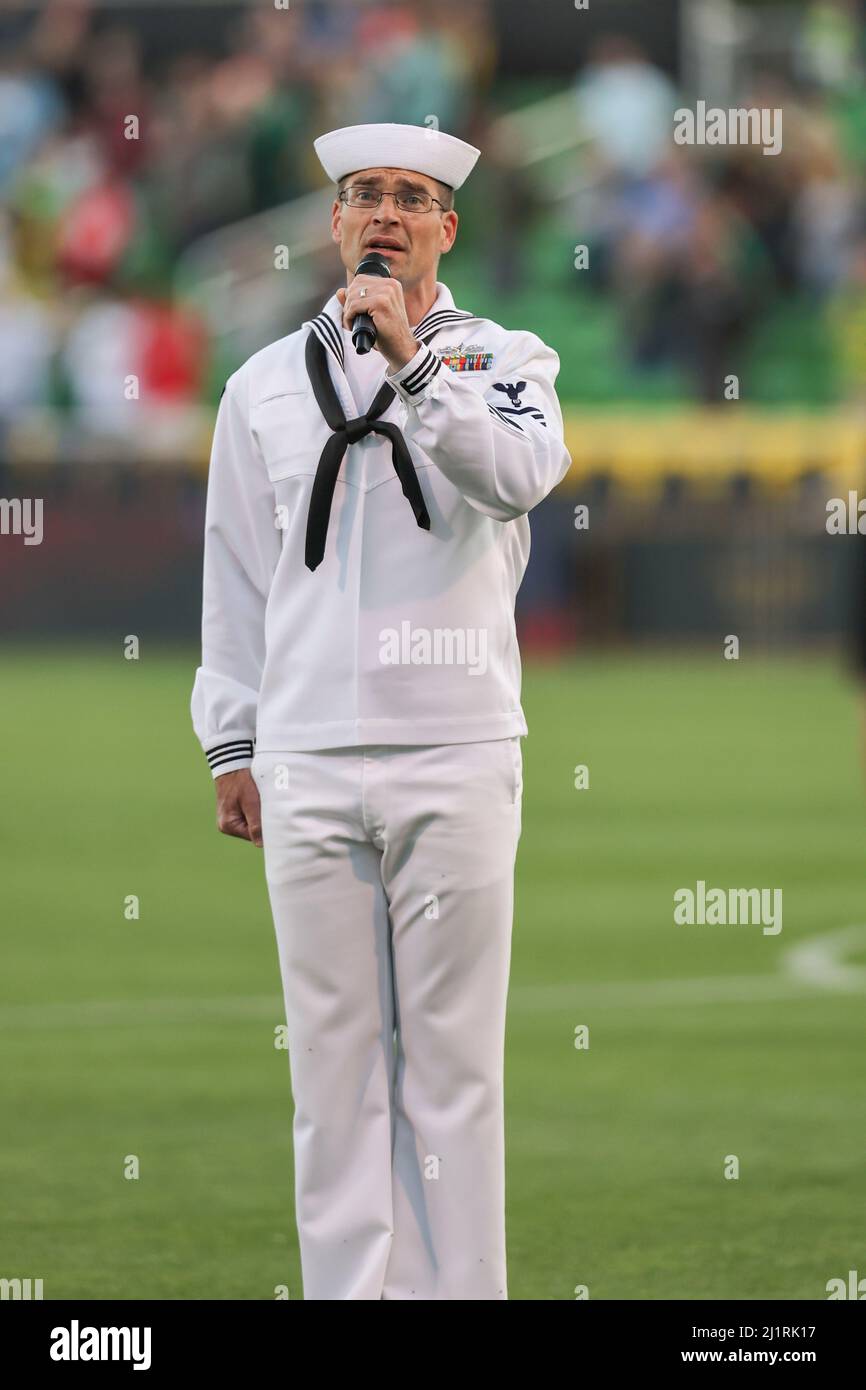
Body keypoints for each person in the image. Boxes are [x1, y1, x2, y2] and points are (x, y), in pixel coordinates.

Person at [190, 121, 572, 1299]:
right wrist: (233, 737)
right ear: (335, 222)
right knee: (332, 1069)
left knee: (452, 1070)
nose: (384, 214)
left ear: (445, 228)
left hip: (453, 744)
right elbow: (236, 573)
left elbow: (517, 475)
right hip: (305, 757)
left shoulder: (504, 358)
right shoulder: (258, 384)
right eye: (364, 196)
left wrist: (412, 367)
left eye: (410, 197)